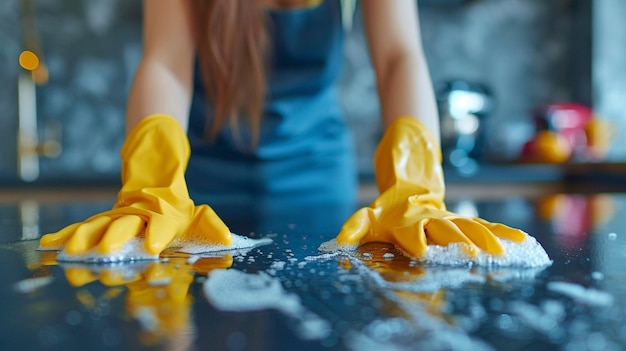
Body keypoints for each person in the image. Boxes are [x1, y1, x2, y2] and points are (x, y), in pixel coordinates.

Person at [39, 0, 527, 260]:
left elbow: (399, 57)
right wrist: (152, 184)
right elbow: (165, 60)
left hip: (317, 177)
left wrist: (416, 187)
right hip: (198, 191)